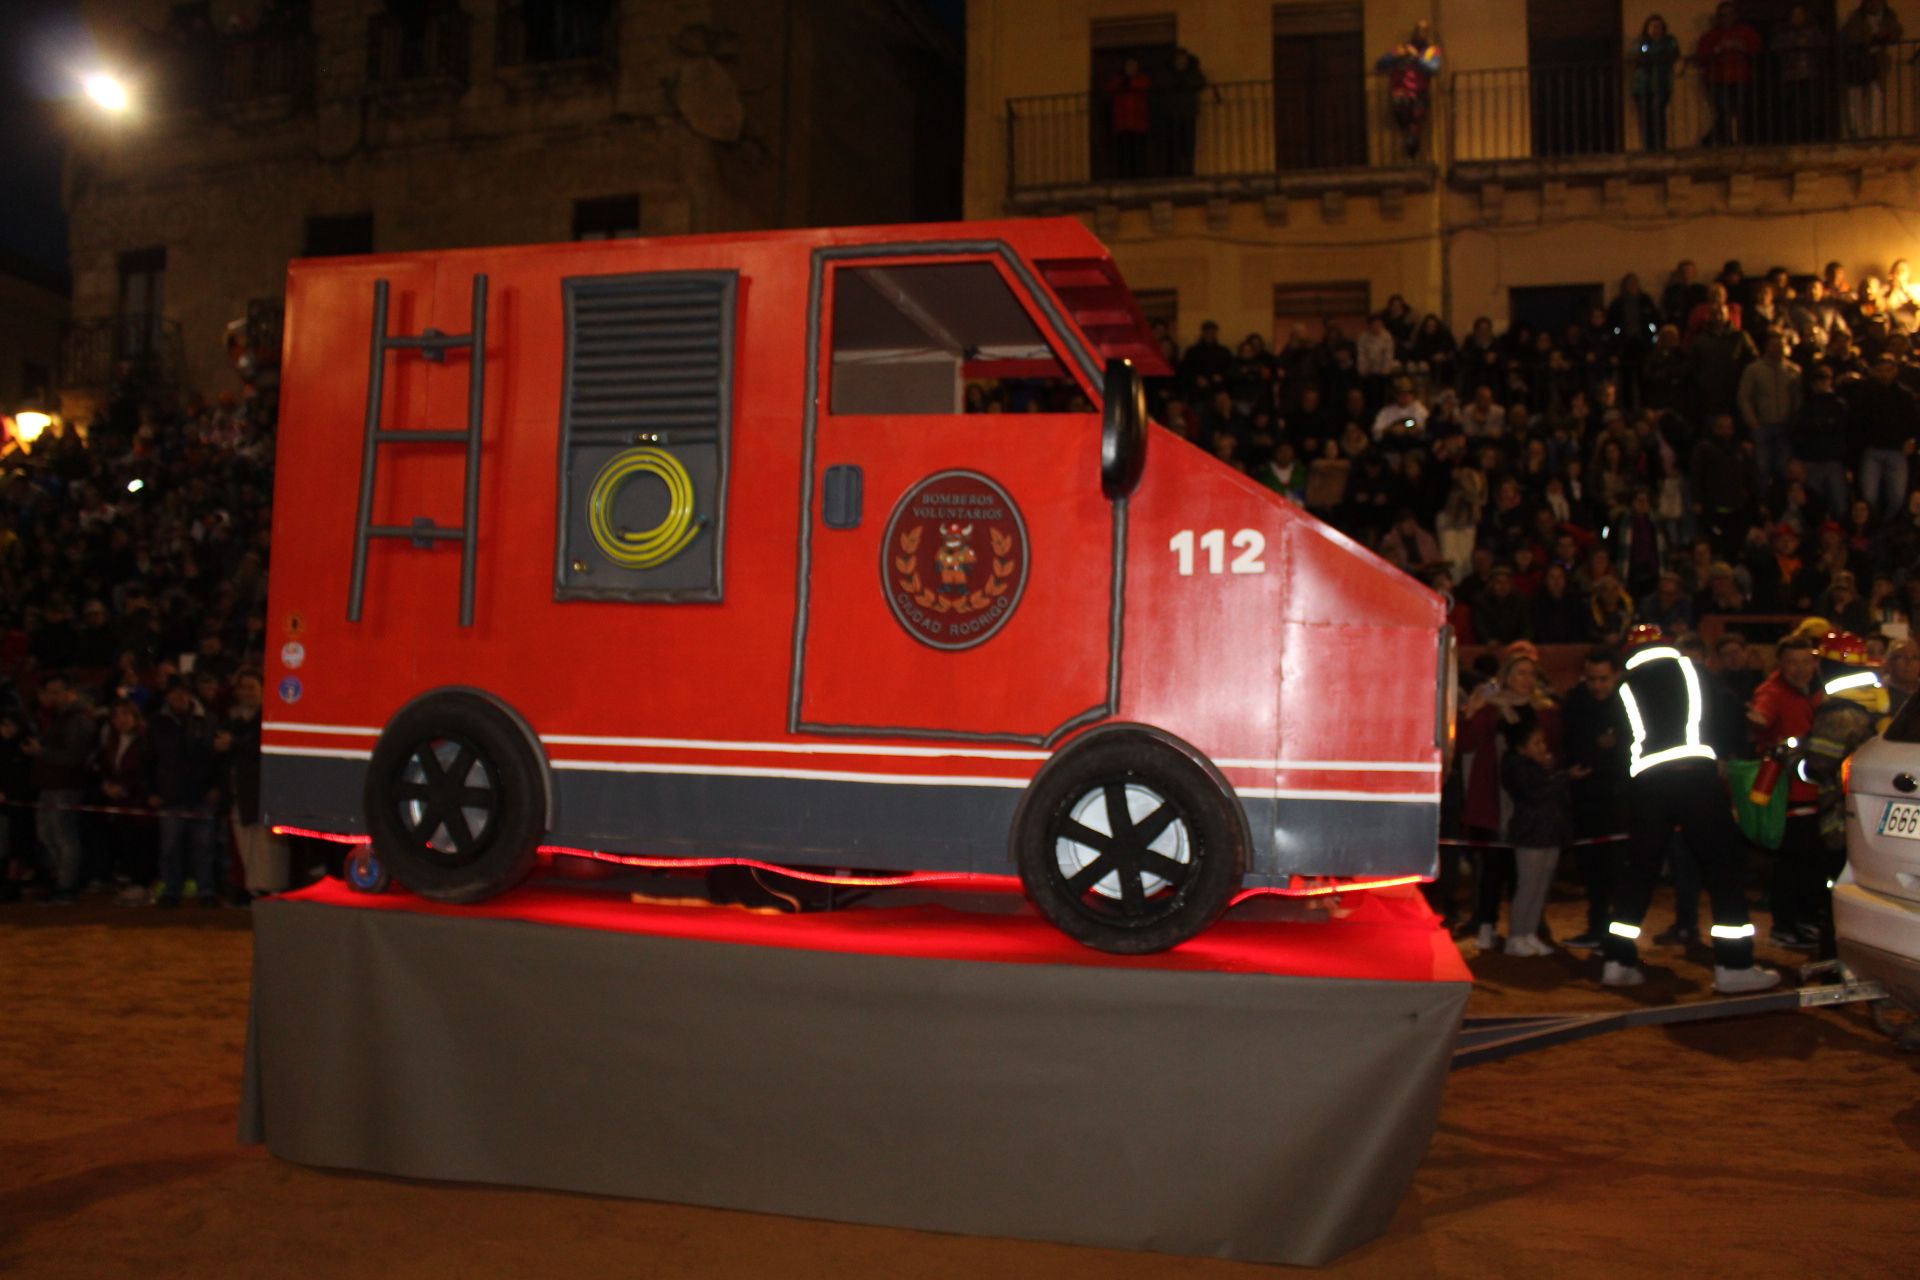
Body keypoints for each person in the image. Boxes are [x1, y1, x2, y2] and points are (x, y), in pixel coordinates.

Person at [1601, 625, 1780, 993]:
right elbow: (1728, 713)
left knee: (1640, 872)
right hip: (1695, 778)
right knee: (1722, 868)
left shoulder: (1624, 686)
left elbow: (1620, 744)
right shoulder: (1692, 670)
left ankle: (1616, 961)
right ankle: (1734, 966)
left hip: (1648, 785)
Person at [1789, 632, 1894, 956]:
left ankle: (1835, 967)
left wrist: (1792, 758)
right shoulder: (1876, 699)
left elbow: (1818, 767)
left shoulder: (1838, 712)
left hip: (1841, 819)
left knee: (1837, 891)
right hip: (1875, 814)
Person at [1749, 634, 1825, 950]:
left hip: (1819, 790)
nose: (1800, 668)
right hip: (1789, 792)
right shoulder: (1771, 692)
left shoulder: (1819, 691)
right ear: (1780, 664)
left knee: (1812, 860)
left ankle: (1806, 919)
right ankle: (1784, 924)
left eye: (1806, 660)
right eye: (1792, 662)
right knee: (1792, 860)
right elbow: (1760, 717)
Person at [1562, 648, 1630, 949]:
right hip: (1585, 797)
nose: (1598, 685)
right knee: (1591, 866)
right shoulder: (1575, 702)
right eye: (1592, 679)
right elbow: (1568, 744)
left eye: (1603, 679)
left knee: (1617, 867)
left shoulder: (1628, 702)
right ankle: (1598, 926)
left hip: (1619, 796)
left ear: (1615, 676)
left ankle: (1615, 932)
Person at [147, 676, 222, 907]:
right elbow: (147, 759)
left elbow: (219, 758)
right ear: (167, 695)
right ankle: (172, 889)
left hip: (203, 794)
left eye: (183, 692)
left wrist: (217, 787)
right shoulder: (156, 722)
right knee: (169, 847)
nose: (179, 697)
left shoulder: (209, 720)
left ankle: (206, 889)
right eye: (174, 693)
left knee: (204, 846)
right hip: (170, 795)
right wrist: (151, 790)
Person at [216, 667, 288, 898]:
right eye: (242, 688)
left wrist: (234, 744)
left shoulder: (271, 718)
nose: (246, 692)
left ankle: (271, 892)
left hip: (265, 795)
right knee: (247, 847)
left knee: (268, 851)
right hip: (240, 794)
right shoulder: (233, 720)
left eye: (251, 687)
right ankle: (255, 891)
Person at [23, 673, 94, 905]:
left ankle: (67, 886)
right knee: (47, 834)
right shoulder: (57, 717)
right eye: (49, 692)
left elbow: (74, 756)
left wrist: (41, 752)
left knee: (63, 836)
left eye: (57, 691)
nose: (52, 696)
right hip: (50, 785)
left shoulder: (76, 718)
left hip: (66, 786)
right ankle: (59, 880)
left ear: (68, 692)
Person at [1851, 352, 1919, 521]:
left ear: (1895, 370)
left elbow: (1915, 423)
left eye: (1888, 370)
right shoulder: (1865, 394)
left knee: (1897, 497)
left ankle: (1887, 526)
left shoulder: (1905, 396)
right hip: (1873, 450)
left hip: (1897, 451)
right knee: (1869, 497)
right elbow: (1857, 423)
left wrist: (1914, 441)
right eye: (1880, 370)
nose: (1884, 374)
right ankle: (1874, 528)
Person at [1738, 332, 1803, 488]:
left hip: (1785, 425)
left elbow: (1798, 398)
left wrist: (1795, 420)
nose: (1777, 348)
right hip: (1763, 425)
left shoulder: (1793, 370)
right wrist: (1752, 420)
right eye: (1773, 345)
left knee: (1783, 467)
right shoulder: (1754, 370)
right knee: (1762, 467)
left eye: (1780, 345)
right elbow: (1744, 396)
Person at [1695, 2, 1763, 147]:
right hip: (1717, 79)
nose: (1727, 18)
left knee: (1740, 111)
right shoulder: (1710, 36)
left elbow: (1758, 50)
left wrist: (1743, 48)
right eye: (1723, 15)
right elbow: (1701, 57)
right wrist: (1716, 51)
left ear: (1736, 15)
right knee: (1724, 111)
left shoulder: (1746, 32)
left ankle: (1736, 140)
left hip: (1741, 78)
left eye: (1730, 14)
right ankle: (1725, 142)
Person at [1840, 0, 1904, 140]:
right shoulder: (1856, 17)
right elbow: (1848, 35)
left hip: (1877, 62)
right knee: (1855, 97)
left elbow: (1897, 32)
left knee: (1875, 95)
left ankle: (1873, 132)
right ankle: (1858, 132)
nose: (1874, 4)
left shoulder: (1888, 17)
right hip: (1857, 62)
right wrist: (1869, 37)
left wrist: (1885, 35)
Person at [1378, 20, 1442, 159]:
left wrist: (1416, 56)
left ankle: (1412, 145)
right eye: (1418, 30)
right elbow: (1380, 65)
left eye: (1424, 31)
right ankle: (1410, 143)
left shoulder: (1431, 51)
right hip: (1401, 95)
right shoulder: (1402, 49)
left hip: (1419, 95)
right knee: (1406, 121)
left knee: (1415, 123)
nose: (1420, 33)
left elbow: (1433, 68)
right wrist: (1394, 56)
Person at [1631, 15, 1682, 151]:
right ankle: (1648, 147)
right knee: (1645, 117)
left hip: (1661, 84)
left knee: (1658, 113)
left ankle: (1660, 145)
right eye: (1652, 26)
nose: (1655, 30)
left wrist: (1654, 57)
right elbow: (1636, 56)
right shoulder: (1642, 42)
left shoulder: (1669, 41)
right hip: (1643, 86)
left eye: (1658, 26)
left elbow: (1673, 54)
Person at [1104, 57, 1152, 179]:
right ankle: (1125, 176)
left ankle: (1139, 175)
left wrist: (1128, 84)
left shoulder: (1142, 79)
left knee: (1138, 152)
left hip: (1138, 123)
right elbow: (1109, 87)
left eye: (1133, 66)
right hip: (1122, 123)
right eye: (1129, 66)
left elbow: (1145, 86)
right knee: (1124, 153)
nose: (1131, 68)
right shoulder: (1118, 80)